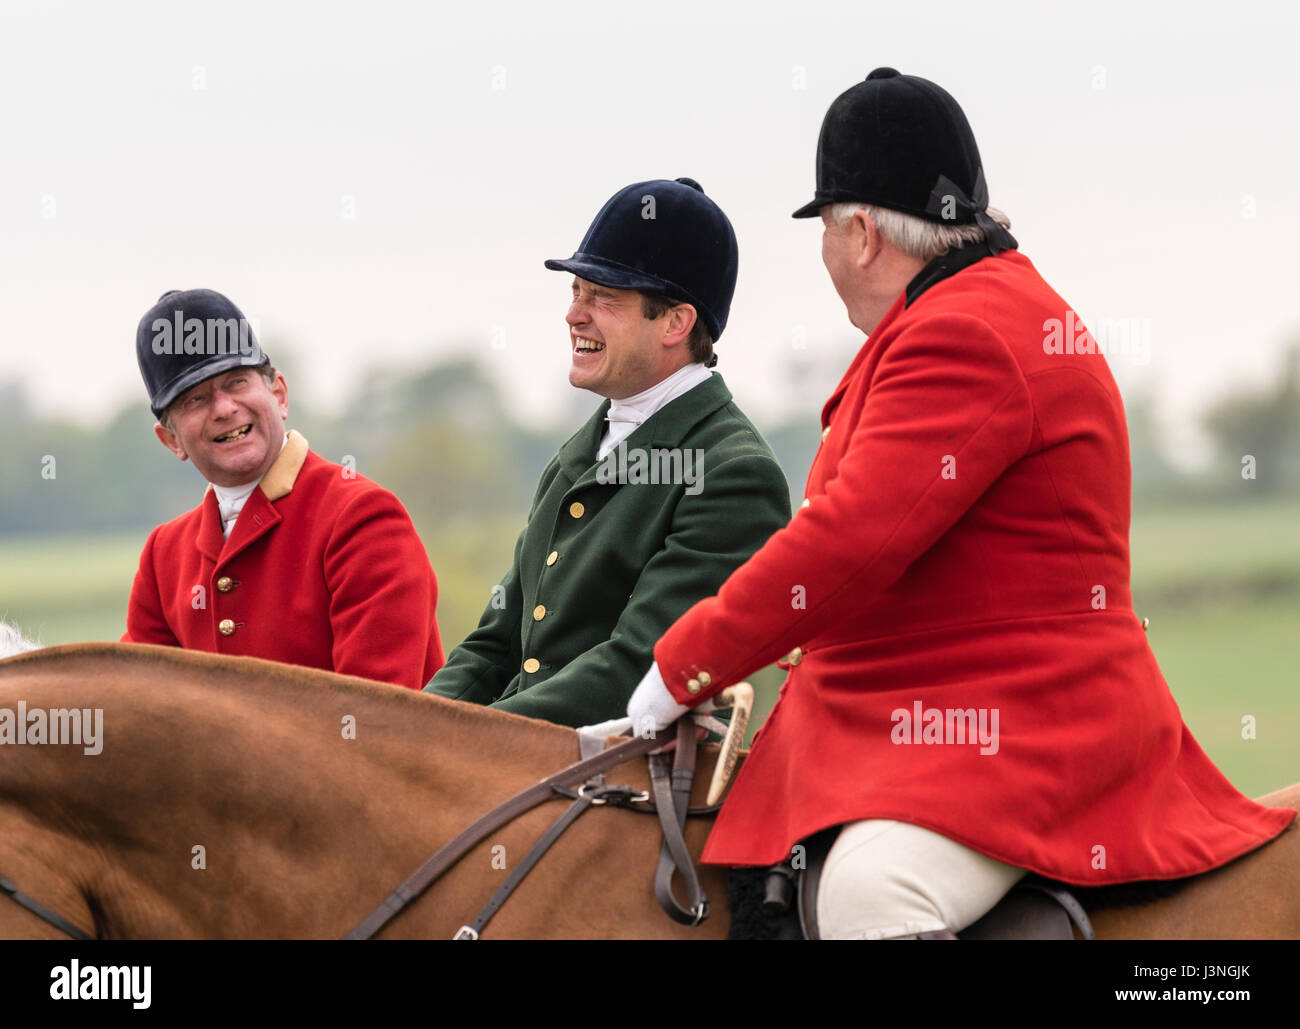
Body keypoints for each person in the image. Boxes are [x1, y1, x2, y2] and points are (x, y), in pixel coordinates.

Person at [628, 69, 1296, 939]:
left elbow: (848, 542)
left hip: (1019, 728)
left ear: (862, 233)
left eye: (825, 231)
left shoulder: (965, 333)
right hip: (917, 710)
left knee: (872, 898)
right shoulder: (958, 314)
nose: (827, 256)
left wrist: (684, 665)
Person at [425, 178, 791, 727]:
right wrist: (406, 727)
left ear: (676, 323)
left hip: (623, 787)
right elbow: (495, 645)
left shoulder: (733, 473)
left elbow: (637, 667)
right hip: (522, 767)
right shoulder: (581, 453)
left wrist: (472, 741)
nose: (575, 315)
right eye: (576, 292)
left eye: (604, 297)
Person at [123, 288, 444, 689]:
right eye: (195, 399)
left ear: (279, 394)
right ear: (170, 441)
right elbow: (136, 708)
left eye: (237, 382)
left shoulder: (363, 517)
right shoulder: (163, 555)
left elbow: (374, 720)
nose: (223, 408)